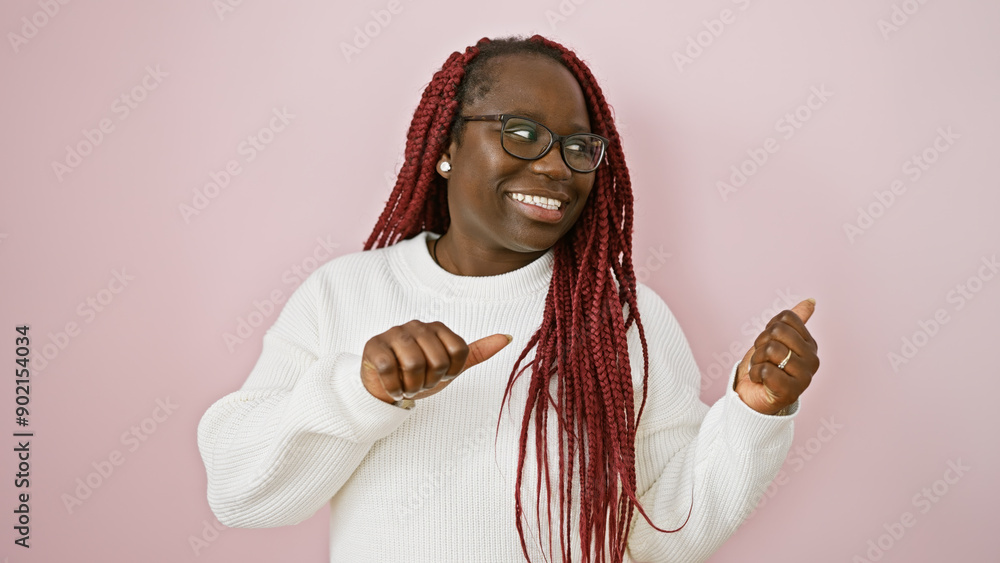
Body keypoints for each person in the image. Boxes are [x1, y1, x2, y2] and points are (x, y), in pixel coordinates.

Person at [197, 35, 820, 563]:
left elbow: (663, 535)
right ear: (445, 147)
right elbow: (241, 494)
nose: (556, 168)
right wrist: (362, 390)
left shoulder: (621, 318)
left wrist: (755, 413)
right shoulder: (343, 293)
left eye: (579, 148)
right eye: (521, 133)